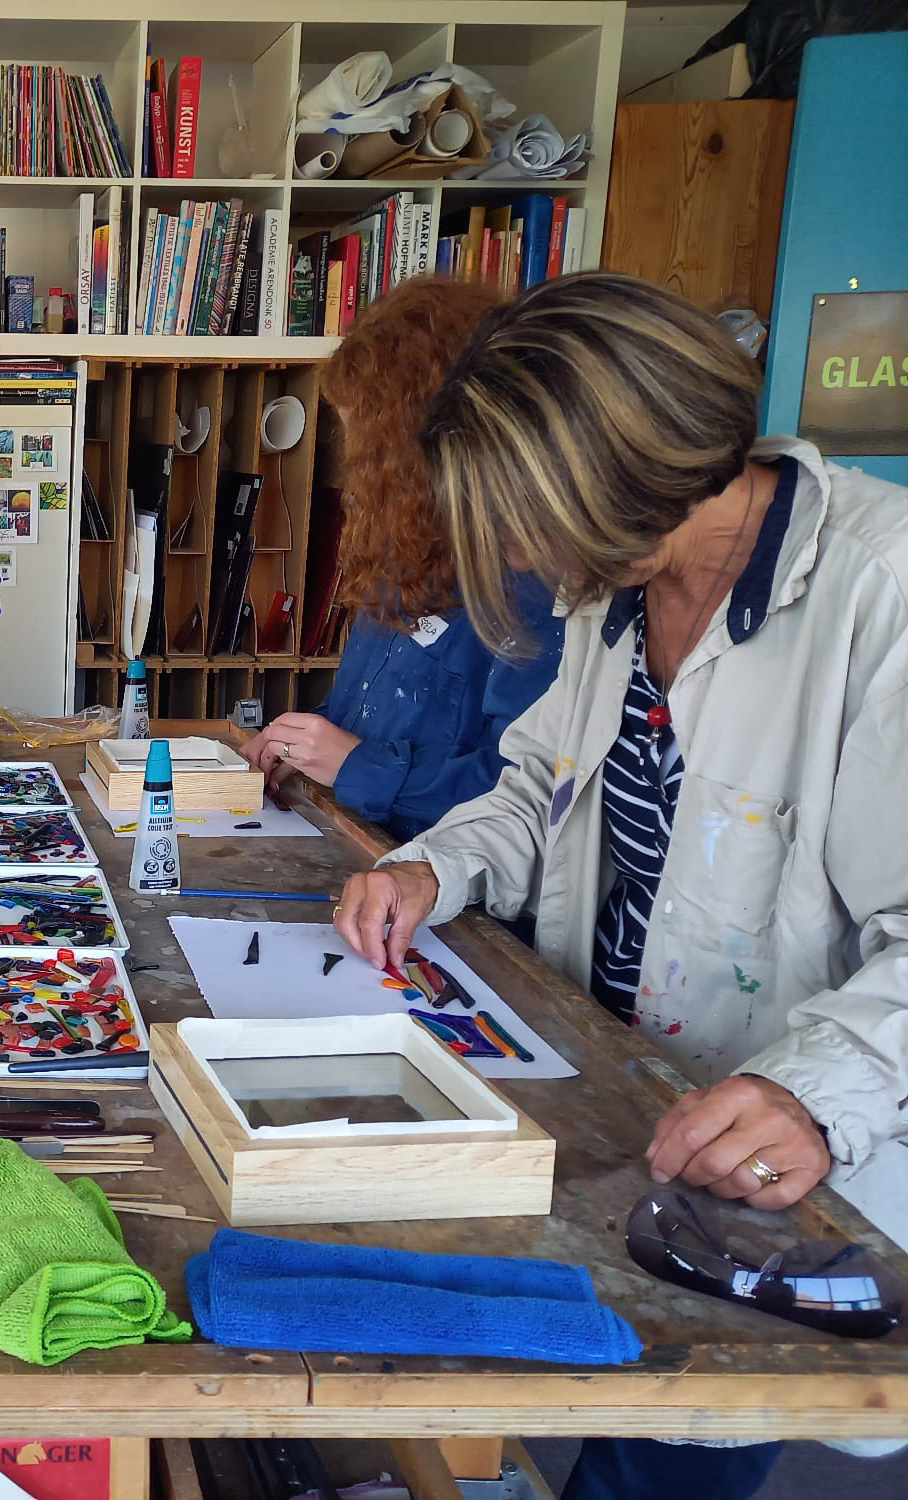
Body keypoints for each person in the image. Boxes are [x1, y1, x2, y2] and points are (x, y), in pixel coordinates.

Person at [333, 272, 908, 1500]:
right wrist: (437, 861)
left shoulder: (881, 591)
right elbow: (533, 781)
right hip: (618, 1091)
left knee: (674, 1439)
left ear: (628, 475)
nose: (529, 560)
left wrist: (814, 1092)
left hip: (779, 1146)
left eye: (531, 524)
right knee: (599, 1396)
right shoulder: (621, 594)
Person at [238, 277, 563, 841]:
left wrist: (355, 766)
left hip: (454, 900)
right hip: (362, 849)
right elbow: (361, 716)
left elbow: (533, 803)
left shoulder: (533, 577)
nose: (356, 472)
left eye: (369, 451)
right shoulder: (400, 547)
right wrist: (302, 747)